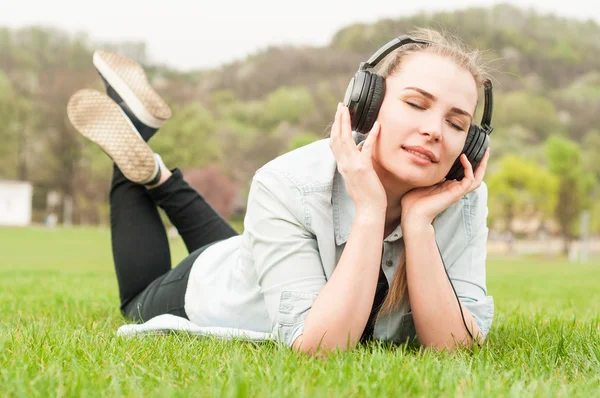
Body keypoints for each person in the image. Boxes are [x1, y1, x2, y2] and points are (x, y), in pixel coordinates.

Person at [67, 28, 494, 355]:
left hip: (256, 256)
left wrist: (418, 224)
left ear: (471, 144)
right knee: (135, 300)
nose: (434, 131)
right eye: (416, 104)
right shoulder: (288, 182)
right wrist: (370, 212)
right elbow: (322, 346)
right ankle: (135, 141)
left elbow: (455, 348)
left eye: (456, 123)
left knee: (244, 247)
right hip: (216, 281)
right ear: (368, 102)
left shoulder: (462, 196)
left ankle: (155, 168)